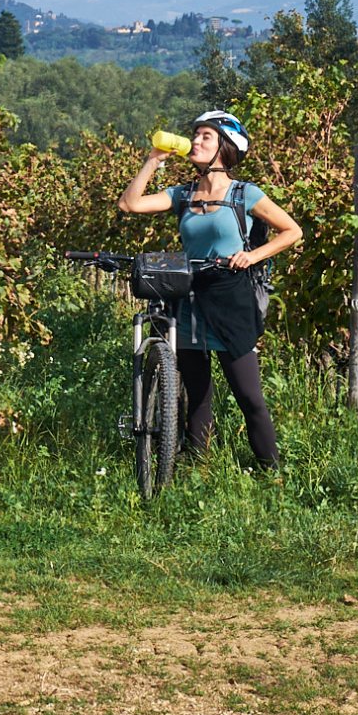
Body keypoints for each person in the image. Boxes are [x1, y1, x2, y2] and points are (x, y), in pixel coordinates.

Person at [117, 109, 302, 471]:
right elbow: (130, 204)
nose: (196, 141)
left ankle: (272, 472)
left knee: (248, 396)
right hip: (188, 299)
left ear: (225, 147)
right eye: (196, 134)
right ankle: (197, 469)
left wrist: (251, 256)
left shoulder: (245, 194)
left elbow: (292, 231)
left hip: (230, 298)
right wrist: (154, 160)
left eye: (206, 136)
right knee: (198, 396)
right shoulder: (182, 194)